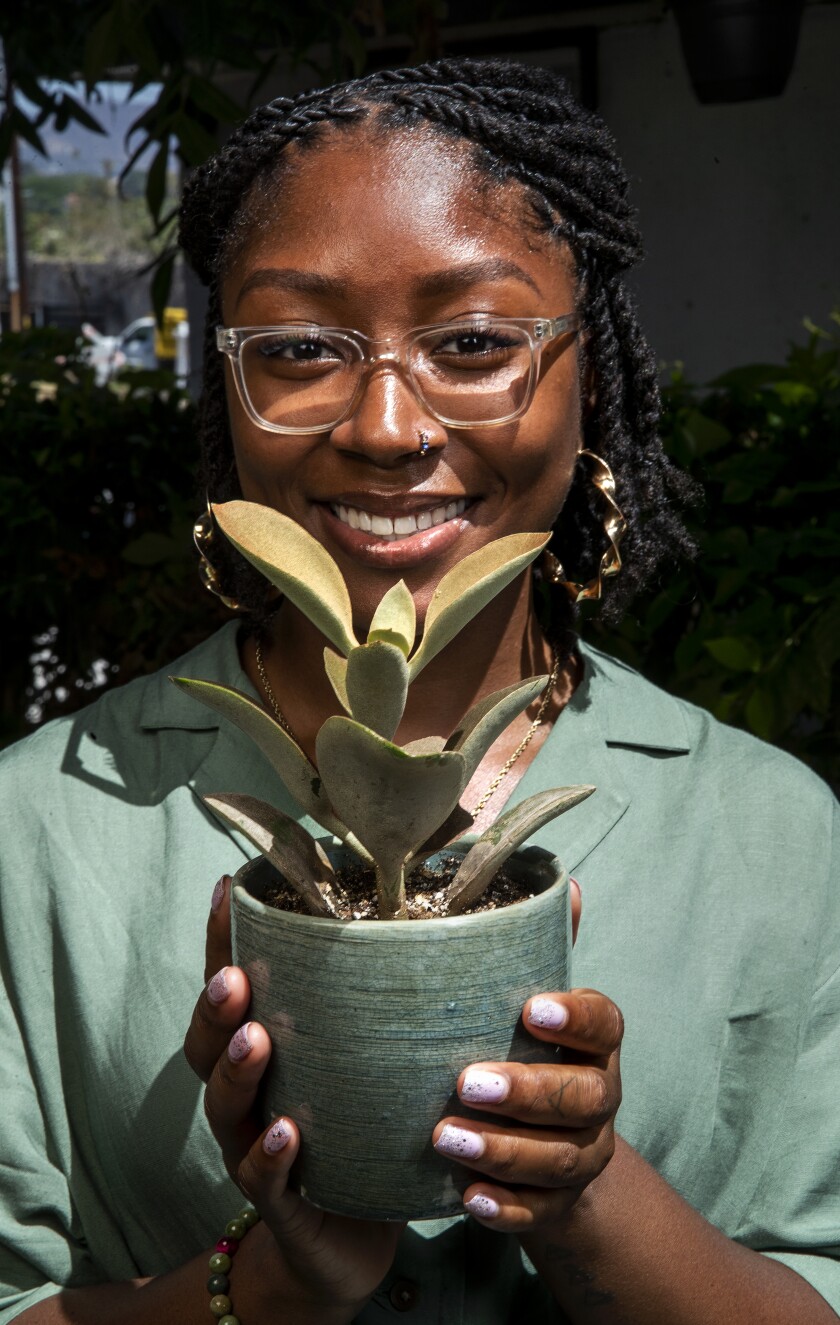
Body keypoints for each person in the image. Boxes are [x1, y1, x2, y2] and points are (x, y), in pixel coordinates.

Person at [0, 57, 837, 1325]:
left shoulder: (773, 830)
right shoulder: (38, 829)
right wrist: (269, 1284)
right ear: (226, 393)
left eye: (476, 343)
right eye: (295, 347)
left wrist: (587, 1194)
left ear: (588, 373)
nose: (388, 424)